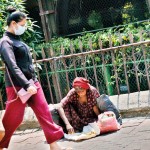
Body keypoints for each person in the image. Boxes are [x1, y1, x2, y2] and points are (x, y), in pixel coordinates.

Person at [0, 7, 65, 150]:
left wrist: (31, 82)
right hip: (17, 86)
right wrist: (25, 84)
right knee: (13, 119)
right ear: (13, 24)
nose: (24, 28)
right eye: (22, 25)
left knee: (44, 113)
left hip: (32, 83)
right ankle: (1, 144)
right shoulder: (5, 42)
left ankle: (54, 145)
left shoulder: (17, 40)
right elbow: (12, 66)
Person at [55, 77, 122, 134]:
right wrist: (67, 124)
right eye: (78, 91)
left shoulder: (92, 91)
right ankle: (74, 128)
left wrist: (100, 120)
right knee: (66, 105)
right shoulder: (72, 93)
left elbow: (95, 107)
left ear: (86, 89)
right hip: (78, 117)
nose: (80, 93)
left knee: (103, 100)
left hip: (92, 117)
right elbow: (59, 106)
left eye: (82, 91)